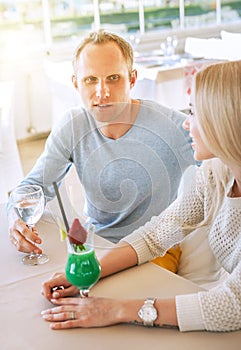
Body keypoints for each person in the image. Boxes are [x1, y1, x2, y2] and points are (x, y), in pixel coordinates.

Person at [41, 60, 241, 332]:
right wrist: (92, 270)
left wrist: (116, 309)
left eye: (194, 112)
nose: (186, 124)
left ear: (224, 121)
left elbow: (232, 305)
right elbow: (157, 234)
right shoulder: (216, 173)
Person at [7, 29, 195, 271]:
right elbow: (31, 188)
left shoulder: (170, 125)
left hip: (156, 250)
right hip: (100, 246)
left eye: (114, 78)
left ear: (132, 79)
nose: (102, 92)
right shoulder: (73, 125)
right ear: (76, 84)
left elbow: (226, 154)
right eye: (90, 80)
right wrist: (15, 220)